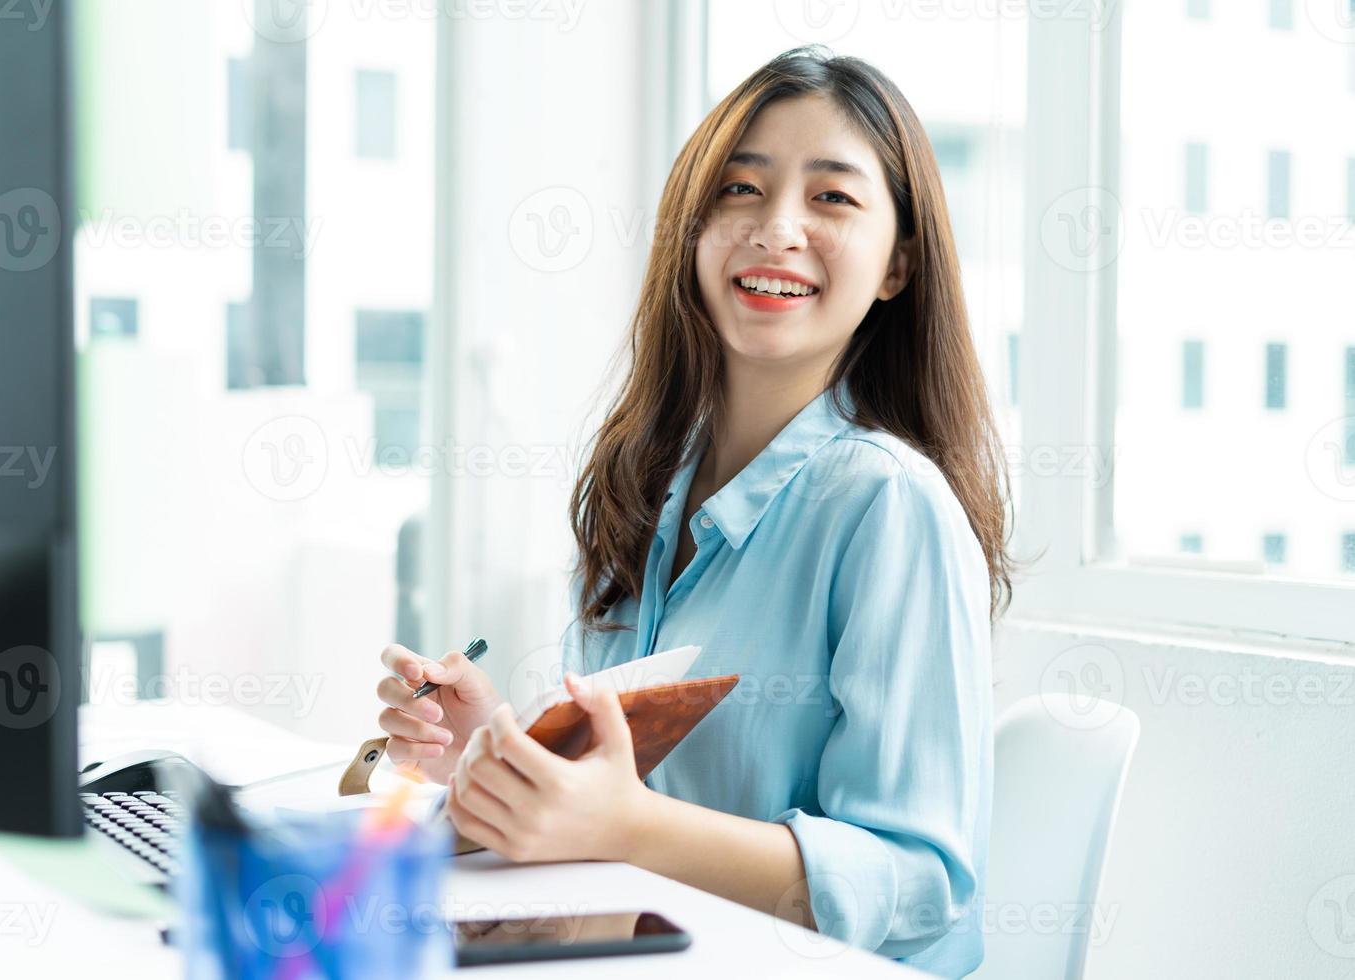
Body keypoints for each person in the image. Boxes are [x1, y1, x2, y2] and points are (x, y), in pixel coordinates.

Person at [374, 45, 1013, 978]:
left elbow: (920, 880)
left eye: (832, 197)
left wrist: (628, 827)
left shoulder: (888, 504)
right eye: (739, 190)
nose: (776, 228)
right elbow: (631, 784)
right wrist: (506, 758)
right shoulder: (646, 482)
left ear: (896, 265)